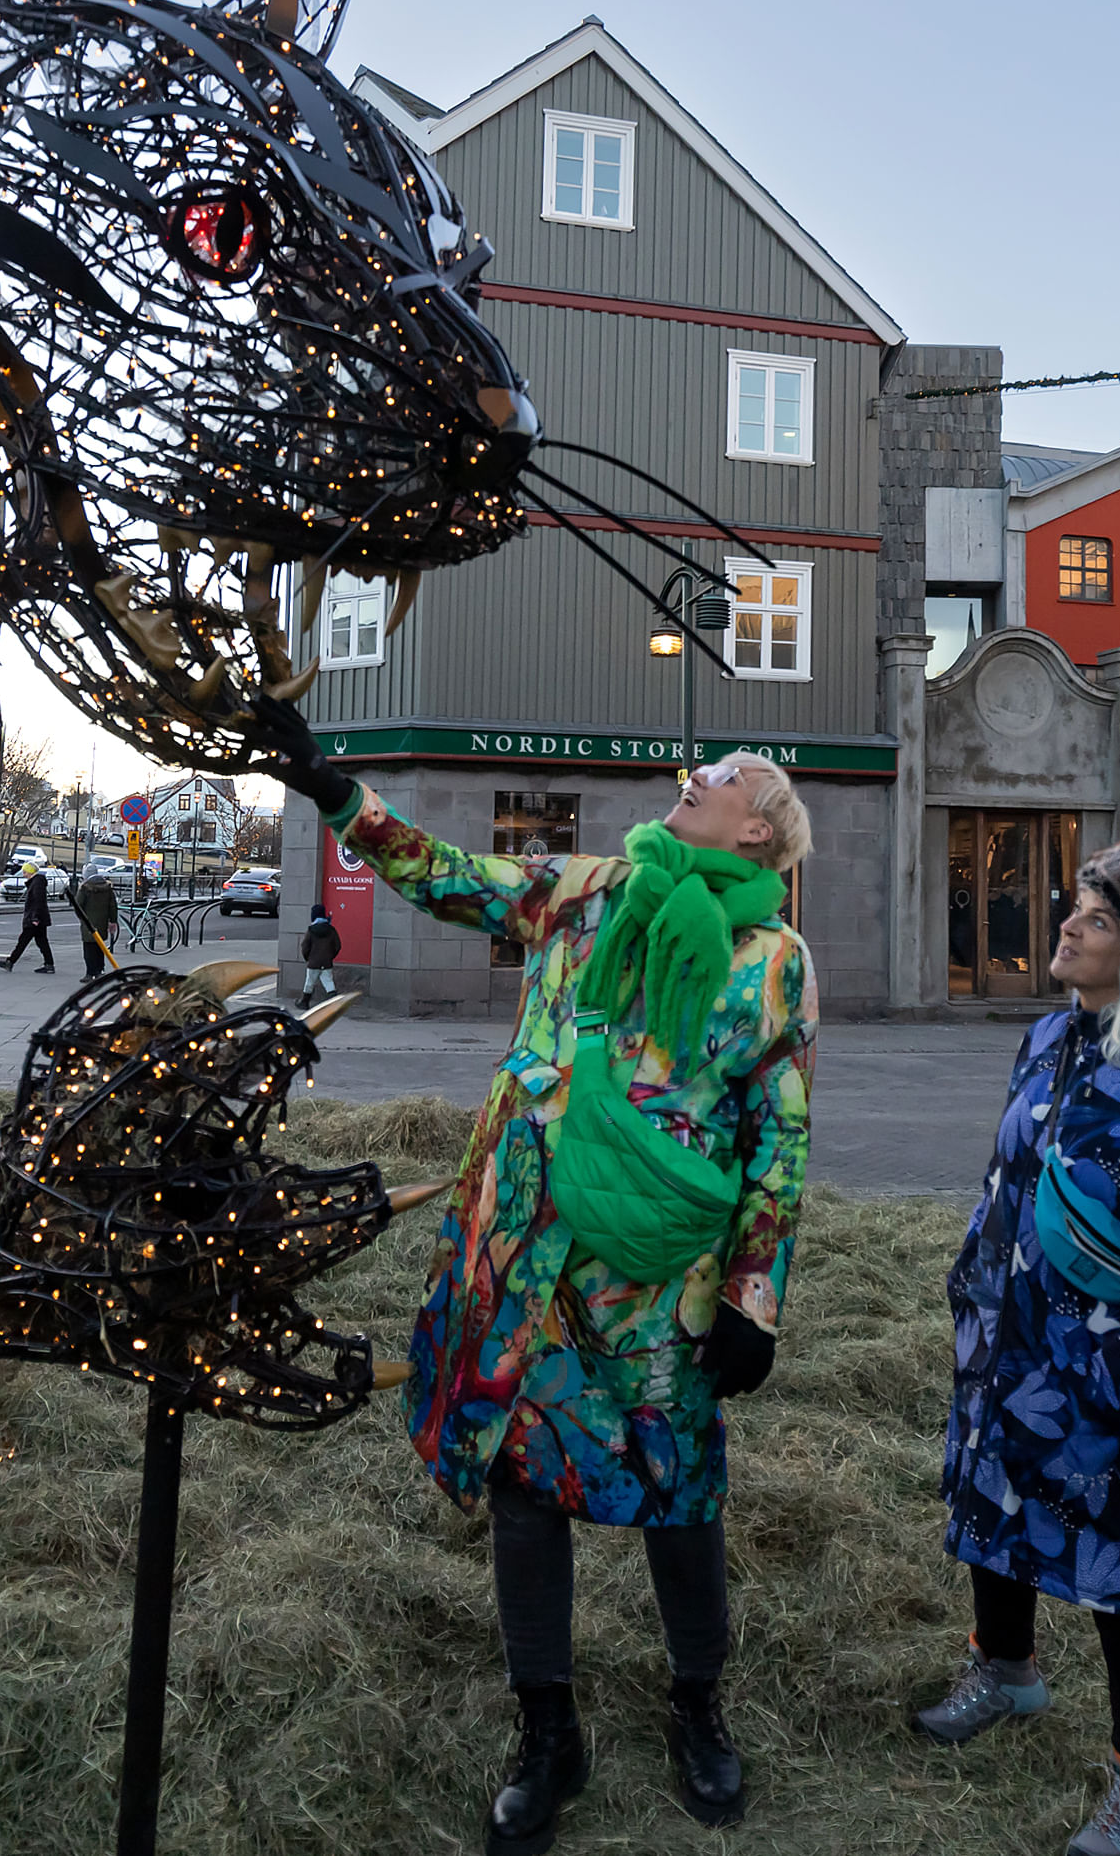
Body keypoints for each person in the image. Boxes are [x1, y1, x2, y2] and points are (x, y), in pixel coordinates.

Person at [250, 700, 814, 1852]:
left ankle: (696, 1701)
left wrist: (757, 1294)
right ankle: (545, 1726)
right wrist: (333, 793)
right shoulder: (587, 889)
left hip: (661, 1276)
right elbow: (448, 875)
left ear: (759, 831)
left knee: (678, 1489)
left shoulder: (774, 962)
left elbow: (779, 1132)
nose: (692, 771)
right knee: (522, 1479)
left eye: (725, 772)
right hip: (526, 1251)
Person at [914, 842, 1120, 1856]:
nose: (1066, 924)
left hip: (1109, 1374)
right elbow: (1005, 1173)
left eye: (1094, 918)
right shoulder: (1052, 1034)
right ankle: (1003, 1668)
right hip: (1007, 1340)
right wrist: (972, 1278)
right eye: (1076, 907)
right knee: (993, 1507)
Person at [0, 861, 56, 973]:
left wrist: (35, 918)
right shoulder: (36, 882)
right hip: (38, 918)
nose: (23, 874)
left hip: (34, 919)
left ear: (29, 872)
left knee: (23, 941)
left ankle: (10, 962)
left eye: (24, 872)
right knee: (41, 942)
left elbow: (38, 901)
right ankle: (49, 965)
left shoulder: (37, 883)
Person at [73, 867, 119, 976]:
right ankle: (100, 970)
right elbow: (113, 906)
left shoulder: (85, 888)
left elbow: (78, 905)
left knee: (89, 950)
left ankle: (90, 973)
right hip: (102, 922)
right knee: (100, 948)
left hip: (88, 923)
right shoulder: (107, 888)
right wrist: (113, 921)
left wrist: (82, 918)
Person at [300, 899, 344, 1003]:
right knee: (328, 982)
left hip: (314, 962)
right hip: (326, 962)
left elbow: (305, 946)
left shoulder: (311, 930)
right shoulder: (331, 929)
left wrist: (308, 957)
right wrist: (330, 956)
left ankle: (304, 1002)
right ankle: (333, 1002)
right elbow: (337, 945)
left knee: (309, 982)